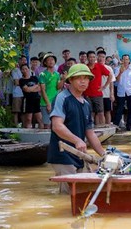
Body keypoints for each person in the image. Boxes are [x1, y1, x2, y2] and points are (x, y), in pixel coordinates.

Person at [47, 64, 105, 193]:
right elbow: (57, 126)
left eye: (86, 78)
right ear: (70, 80)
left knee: (82, 192)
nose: (83, 81)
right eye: (79, 78)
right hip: (62, 154)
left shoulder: (86, 104)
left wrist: (103, 154)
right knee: (69, 194)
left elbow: (90, 133)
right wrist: (77, 140)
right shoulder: (62, 98)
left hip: (79, 155)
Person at [113, 54, 131, 131]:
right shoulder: (117, 69)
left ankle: (129, 126)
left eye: (127, 59)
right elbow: (116, 80)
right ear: (121, 60)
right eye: (124, 59)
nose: (125, 61)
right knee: (119, 109)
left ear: (129, 61)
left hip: (130, 91)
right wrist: (120, 73)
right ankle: (116, 126)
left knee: (130, 109)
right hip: (121, 92)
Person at [84, 50, 111, 125]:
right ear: (87, 58)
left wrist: (104, 86)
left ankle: (103, 128)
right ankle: (89, 128)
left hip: (98, 94)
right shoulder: (84, 67)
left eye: (93, 57)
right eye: (90, 57)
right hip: (87, 94)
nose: (92, 59)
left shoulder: (99, 66)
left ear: (95, 57)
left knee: (101, 113)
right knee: (90, 113)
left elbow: (110, 75)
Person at [39, 53, 63, 129]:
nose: (50, 61)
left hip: (55, 102)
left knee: (55, 123)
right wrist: (48, 103)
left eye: (52, 59)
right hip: (45, 102)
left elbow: (58, 87)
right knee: (47, 124)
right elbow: (43, 90)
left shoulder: (57, 74)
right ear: (45, 63)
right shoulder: (43, 74)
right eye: (48, 60)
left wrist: (63, 79)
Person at [19, 64, 43, 128]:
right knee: (28, 119)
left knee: (39, 119)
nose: (25, 70)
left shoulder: (34, 78)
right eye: (23, 69)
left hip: (36, 99)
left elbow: (39, 88)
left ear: (29, 69)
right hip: (28, 100)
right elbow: (26, 90)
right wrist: (35, 86)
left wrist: (30, 89)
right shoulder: (21, 80)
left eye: (26, 69)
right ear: (21, 71)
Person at [97, 50, 115, 125]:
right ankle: (98, 127)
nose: (101, 58)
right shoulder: (94, 66)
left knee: (107, 111)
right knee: (98, 112)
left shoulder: (109, 68)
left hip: (106, 94)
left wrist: (111, 94)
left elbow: (111, 82)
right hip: (97, 94)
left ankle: (108, 127)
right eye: (99, 56)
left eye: (103, 57)